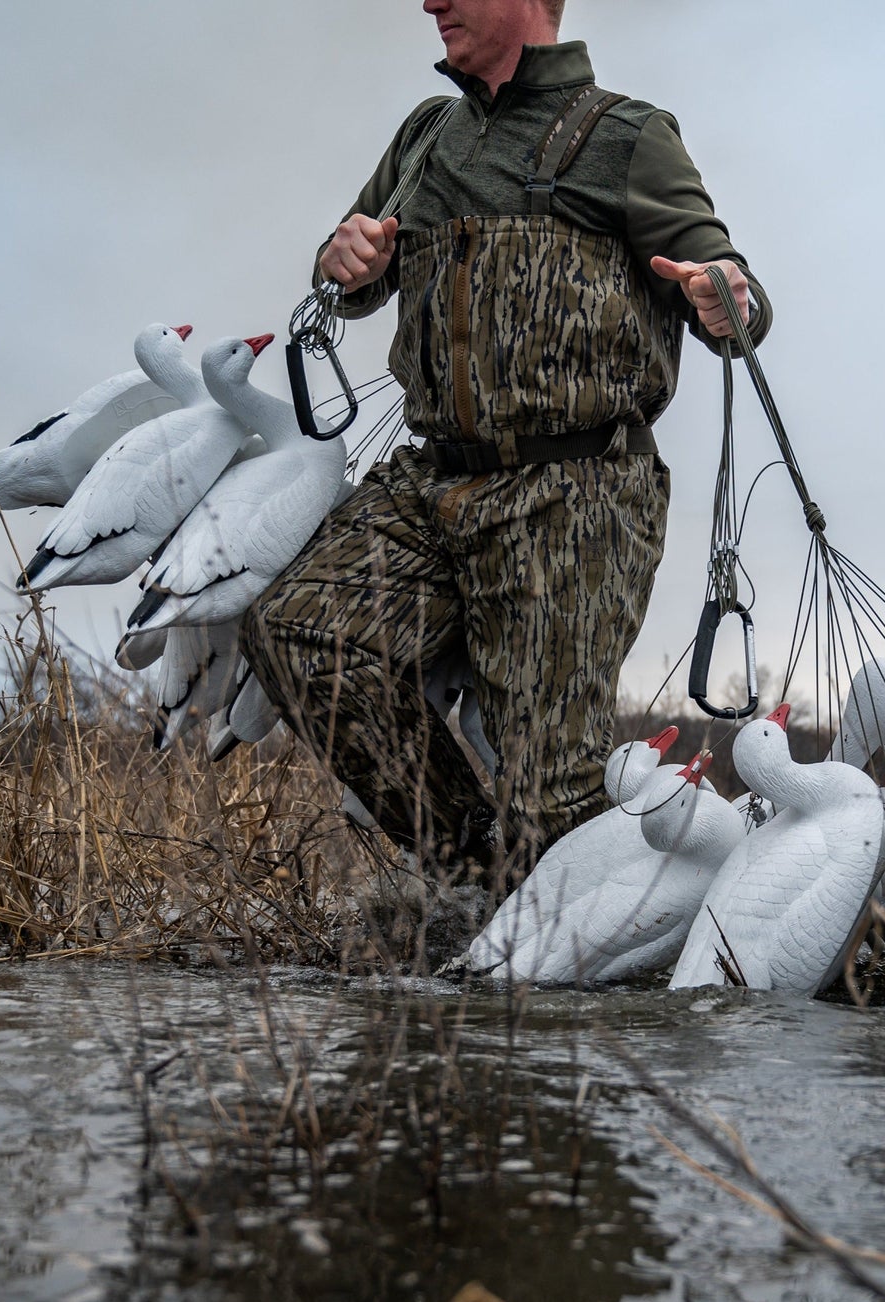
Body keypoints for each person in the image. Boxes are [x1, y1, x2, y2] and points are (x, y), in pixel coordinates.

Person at [241, 0, 771, 876]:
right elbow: (352, 275)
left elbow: (728, 286)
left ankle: (605, 942)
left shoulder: (628, 136)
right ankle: (478, 872)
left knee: (556, 791)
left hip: (575, 493)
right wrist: (342, 260)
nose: (429, 3)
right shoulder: (426, 136)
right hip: (432, 481)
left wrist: (728, 294)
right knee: (299, 632)